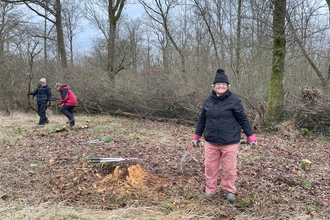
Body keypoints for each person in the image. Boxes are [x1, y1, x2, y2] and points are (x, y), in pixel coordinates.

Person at [191, 69, 257, 203]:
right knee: (210, 167)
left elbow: (243, 119)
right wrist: (196, 137)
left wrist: (251, 137)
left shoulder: (234, 100)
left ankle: (229, 190)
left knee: (229, 168)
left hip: (230, 141)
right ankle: (210, 189)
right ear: (213, 86)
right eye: (218, 83)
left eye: (223, 84)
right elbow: (202, 120)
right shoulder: (208, 101)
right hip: (211, 141)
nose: (221, 86)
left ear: (228, 86)